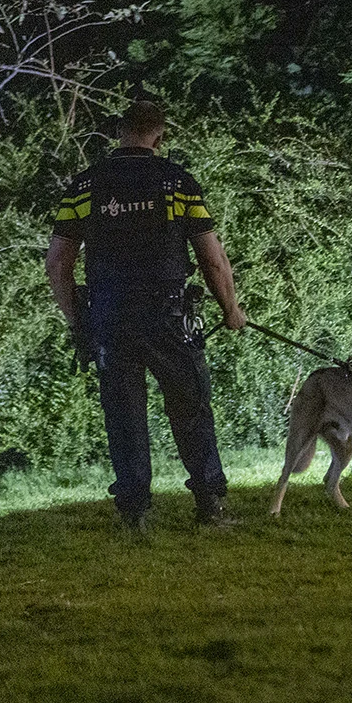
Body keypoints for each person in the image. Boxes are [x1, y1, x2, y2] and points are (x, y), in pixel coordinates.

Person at [45, 101, 248, 532]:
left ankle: (134, 514)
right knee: (191, 407)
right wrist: (231, 309)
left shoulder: (85, 185)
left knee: (123, 414)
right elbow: (212, 260)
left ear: (120, 133)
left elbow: (58, 264)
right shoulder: (177, 183)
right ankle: (210, 508)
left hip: (110, 316)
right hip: (169, 315)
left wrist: (77, 318)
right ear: (160, 136)